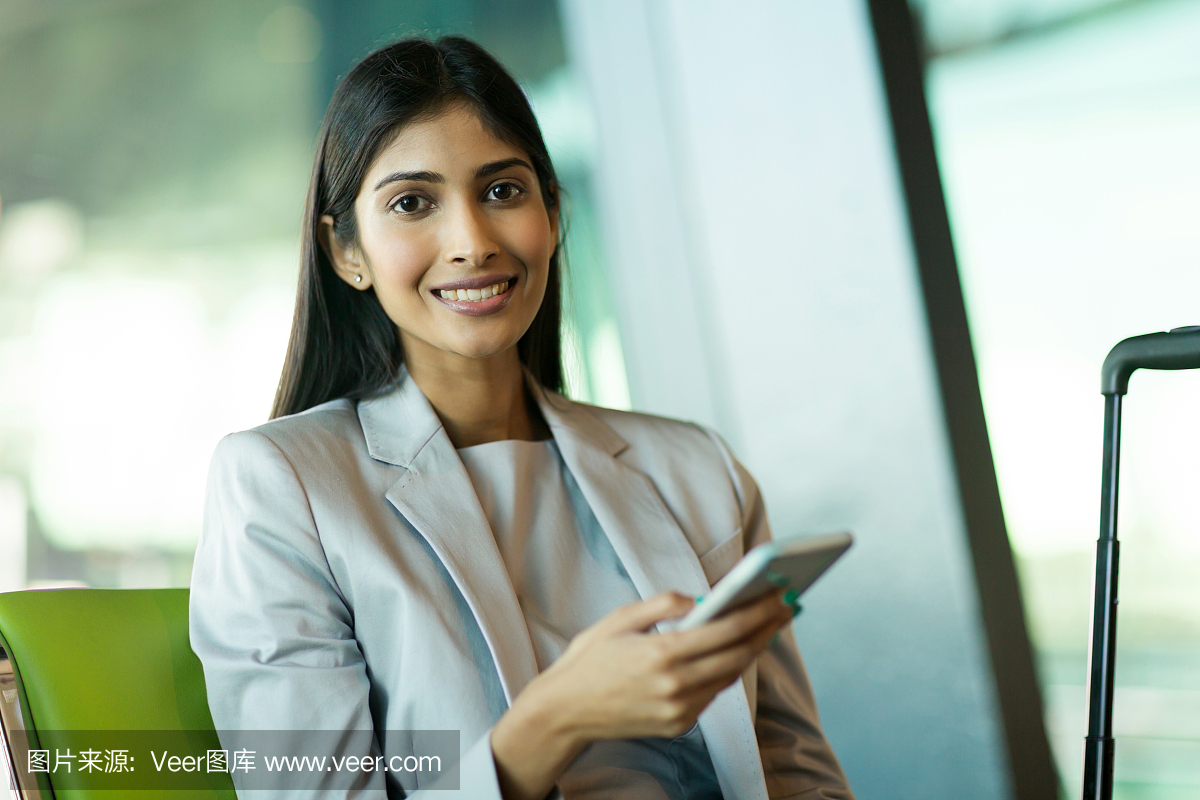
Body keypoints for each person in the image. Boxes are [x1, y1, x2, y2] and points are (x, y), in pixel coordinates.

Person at [189, 36, 854, 800]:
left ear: (551, 211)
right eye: (412, 203)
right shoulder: (281, 484)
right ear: (346, 252)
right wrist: (556, 721)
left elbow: (795, 773)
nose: (472, 243)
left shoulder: (694, 468)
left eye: (503, 191)